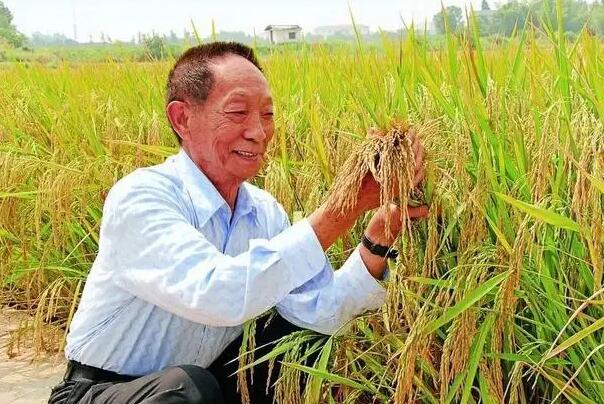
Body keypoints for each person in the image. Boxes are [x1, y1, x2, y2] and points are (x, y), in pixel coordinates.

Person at [48, 41, 427, 404]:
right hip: (101, 393)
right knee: (186, 389)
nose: (258, 133)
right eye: (237, 112)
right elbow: (217, 294)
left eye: (267, 115)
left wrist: (382, 230)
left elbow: (320, 310)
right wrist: (343, 208)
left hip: (200, 386)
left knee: (294, 340)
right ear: (182, 118)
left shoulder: (263, 212)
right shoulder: (142, 198)